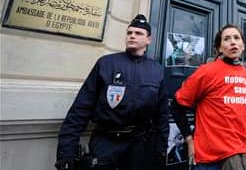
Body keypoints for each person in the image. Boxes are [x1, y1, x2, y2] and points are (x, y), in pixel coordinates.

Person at [55, 14, 169, 170]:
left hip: (139, 145)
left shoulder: (156, 70)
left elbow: (161, 116)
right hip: (105, 142)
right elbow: (81, 108)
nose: (132, 36)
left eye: (138, 33)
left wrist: (161, 150)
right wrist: (66, 150)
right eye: (129, 33)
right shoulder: (106, 63)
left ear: (148, 40)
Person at [171, 24, 246, 170]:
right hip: (212, 158)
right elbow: (176, 106)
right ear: (219, 48)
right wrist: (189, 139)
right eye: (227, 39)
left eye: (237, 38)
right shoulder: (206, 71)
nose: (232, 42)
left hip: (244, 152)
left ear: (243, 45)